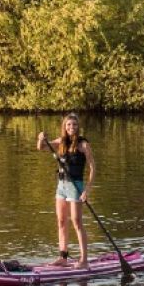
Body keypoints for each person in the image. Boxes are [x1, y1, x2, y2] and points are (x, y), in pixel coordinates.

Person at [36, 114, 95, 269]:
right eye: (69, 125)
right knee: (61, 221)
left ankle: (84, 261)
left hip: (76, 186)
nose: (71, 127)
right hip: (61, 186)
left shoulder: (83, 144)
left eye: (74, 125)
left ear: (78, 126)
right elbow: (41, 147)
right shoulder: (61, 142)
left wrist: (87, 190)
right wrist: (41, 138)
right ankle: (63, 257)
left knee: (77, 222)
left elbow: (93, 168)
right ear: (65, 126)